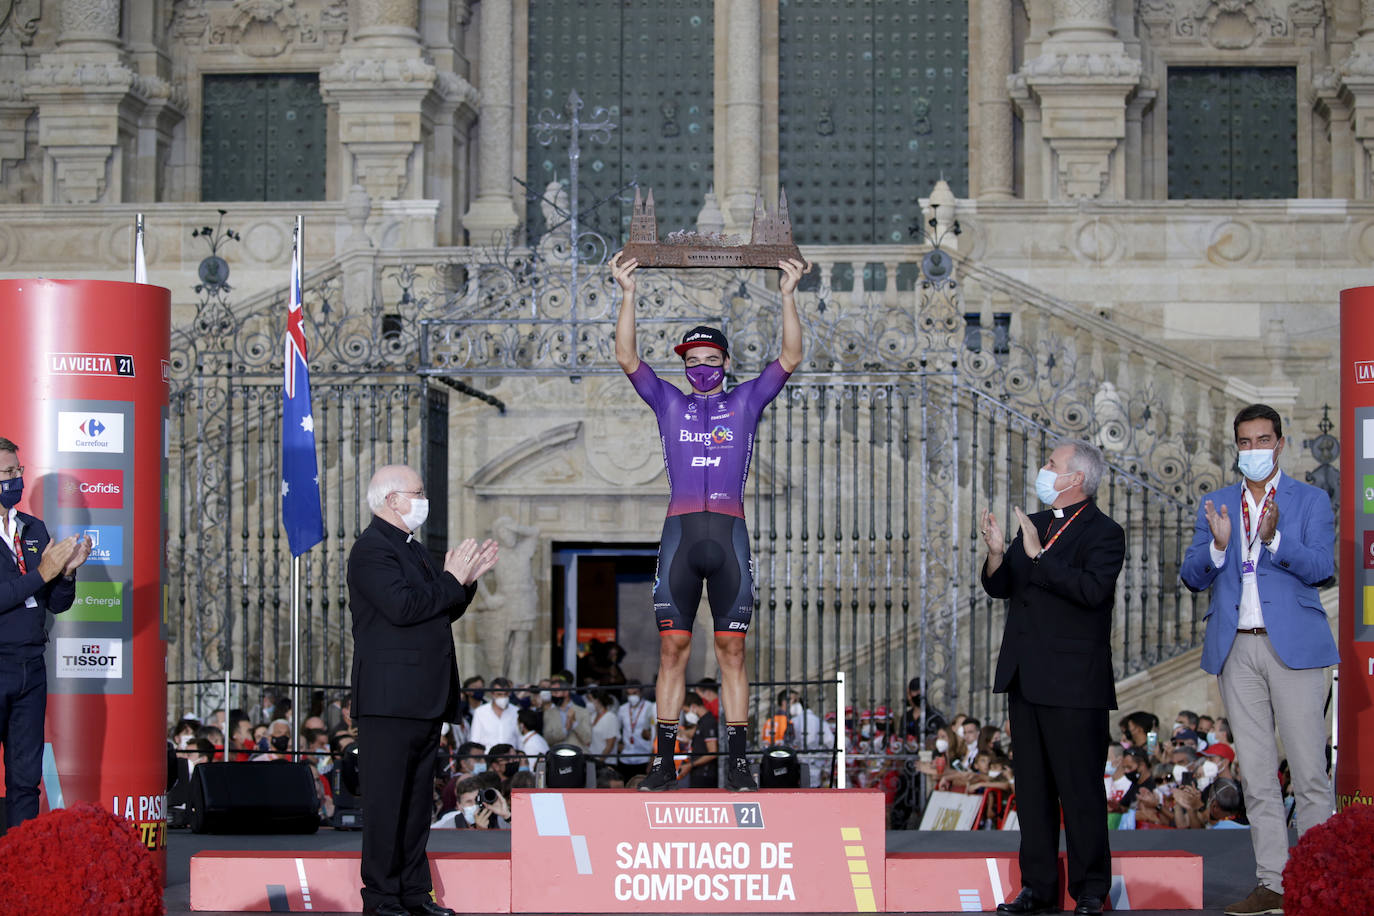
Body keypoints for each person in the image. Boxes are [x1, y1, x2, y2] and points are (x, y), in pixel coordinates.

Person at [611, 251, 808, 792]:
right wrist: (627, 291)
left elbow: (791, 354)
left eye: (707, 358)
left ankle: (740, 761)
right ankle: (663, 761)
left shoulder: (746, 402)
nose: (699, 367)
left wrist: (788, 293)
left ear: (723, 361)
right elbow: (627, 354)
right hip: (680, 535)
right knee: (672, 649)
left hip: (728, 536)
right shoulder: (668, 403)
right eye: (690, 359)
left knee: (733, 651)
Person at [1180, 403, 1337, 916]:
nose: (1254, 450)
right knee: (1258, 775)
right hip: (1235, 648)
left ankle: (1317, 881)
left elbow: (1321, 568)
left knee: (1310, 772)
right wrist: (1220, 550)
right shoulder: (1217, 502)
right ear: (1236, 446)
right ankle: (1274, 883)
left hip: (1294, 647)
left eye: (1263, 440)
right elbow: (1192, 574)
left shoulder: (1310, 500)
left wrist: (1274, 539)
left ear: (1281, 443)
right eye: (1245, 442)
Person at [980, 438, 1124, 916]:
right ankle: (1036, 887)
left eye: (1051, 464)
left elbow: (1092, 591)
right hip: (1026, 676)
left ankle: (1089, 889)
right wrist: (999, 554)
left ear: (1075, 479)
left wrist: (1041, 557)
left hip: (1075, 682)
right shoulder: (1035, 524)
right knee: (1034, 791)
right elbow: (1002, 588)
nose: (1043, 469)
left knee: (1080, 791)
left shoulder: (1105, 533)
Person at [347, 464, 498, 916]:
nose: (423, 499)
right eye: (417, 492)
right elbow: (405, 606)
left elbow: (437, 609)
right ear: (392, 500)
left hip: (423, 699)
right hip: (389, 701)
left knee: (416, 808)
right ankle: (380, 898)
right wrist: (451, 581)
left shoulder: (412, 549)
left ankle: (414, 894)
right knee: (386, 806)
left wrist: (464, 584)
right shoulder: (371, 550)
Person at [0, 436, 91, 829]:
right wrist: (43, 572)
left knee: (24, 779)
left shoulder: (33, 528)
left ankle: (20, 868)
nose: (15, 479)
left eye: (18, 471)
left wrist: (67, 572)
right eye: (7, 472)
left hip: (31, 667)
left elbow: (56, 603)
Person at [616, 683, 656, 779]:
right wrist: (618, 744)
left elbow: (655, 731)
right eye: (629, 693)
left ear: (641, 692)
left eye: (635, 693)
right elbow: (617, 729)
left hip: (644, 756)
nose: (632, 696)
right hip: (625, 757)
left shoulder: (650, 707)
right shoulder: (622, 709)